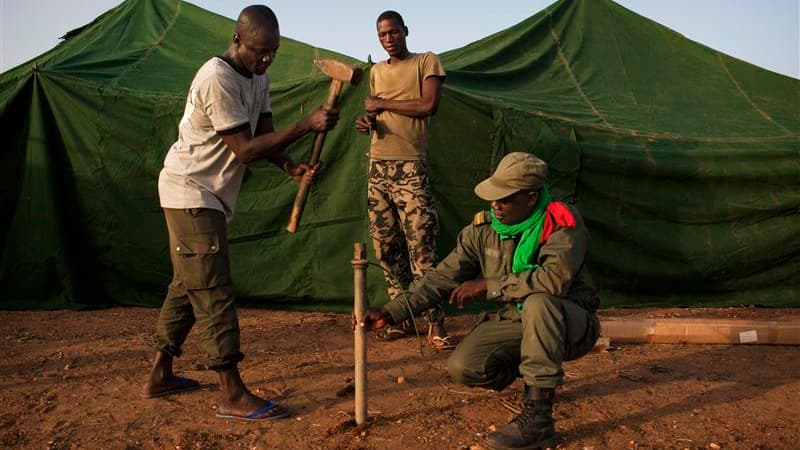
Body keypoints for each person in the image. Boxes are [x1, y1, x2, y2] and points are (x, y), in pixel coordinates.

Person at [140, 5, 339, 421]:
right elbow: (244, 151)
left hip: (207, 194)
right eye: (259, 51)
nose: (266, 60)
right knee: (212, 288)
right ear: (237, 41)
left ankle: (159, 374)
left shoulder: (259, 77)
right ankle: (231, 393)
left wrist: (289, 165)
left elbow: (262, 137)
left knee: (188, 282)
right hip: (190, 190)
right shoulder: (217, 77)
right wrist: (305, 125)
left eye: (273, 52)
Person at [360, 152, 601, 449]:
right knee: (465, 366)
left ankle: (539, 420)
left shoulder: (561, 222)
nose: (495, 205)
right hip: (517, 320)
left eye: (505, 198)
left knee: (540, 302)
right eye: (493, 197)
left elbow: (553, 280)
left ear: (530, 197)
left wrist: (489, 285)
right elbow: (441, 278)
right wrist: (391, 312)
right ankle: (533, 372)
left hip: (570, 322)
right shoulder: (483, 230)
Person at [354, 10, 454, 350]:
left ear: (405, 31)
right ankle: (403, 317)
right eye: (382, 34)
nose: (388, 38)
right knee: (386, 248)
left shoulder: (426, 62)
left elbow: (428, 105)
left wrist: (383, 103)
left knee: (421, 247)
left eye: (393, 32)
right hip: (378, 167)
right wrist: (368, 122)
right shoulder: (377, 72)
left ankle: (435, 322)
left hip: (411, 167)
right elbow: (375, 113)